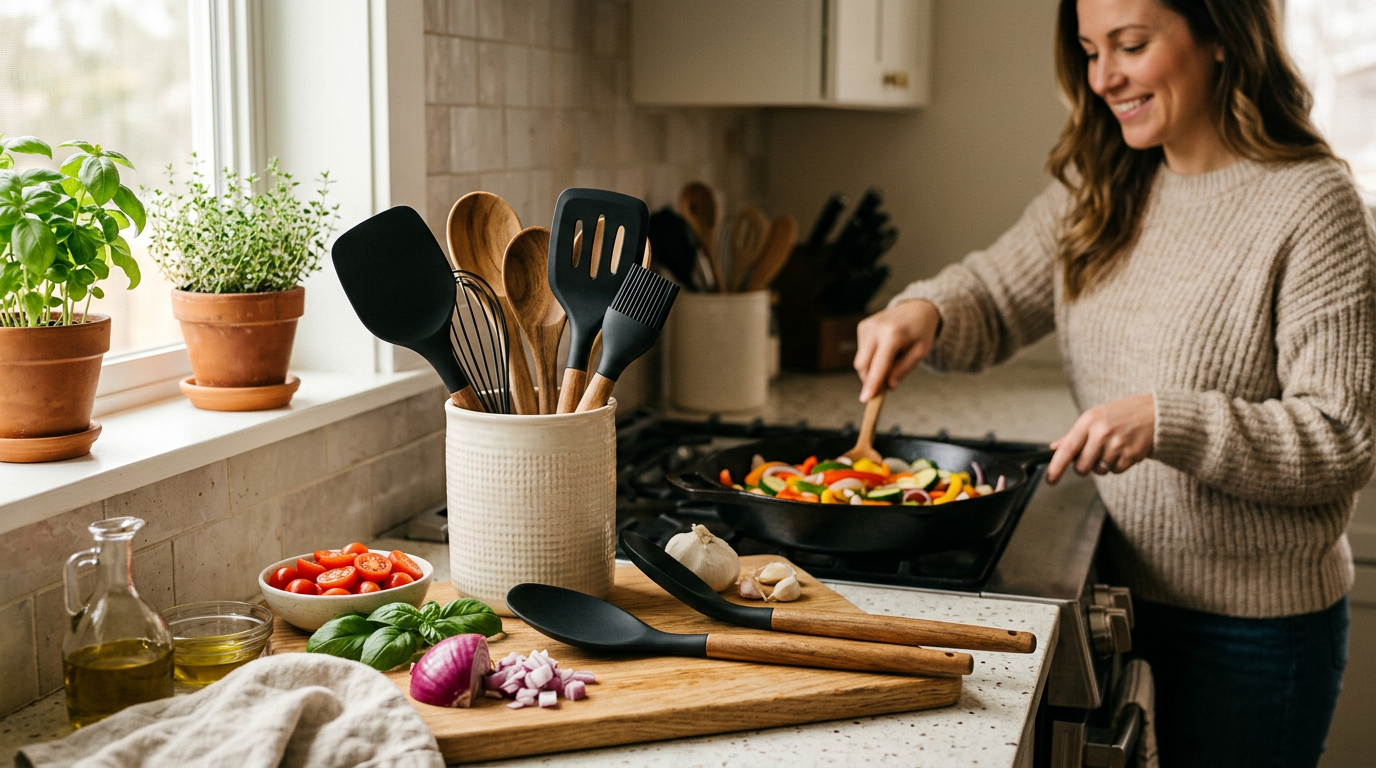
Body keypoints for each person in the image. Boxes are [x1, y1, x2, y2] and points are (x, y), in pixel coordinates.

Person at [852, 0, 1376, 765]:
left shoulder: (1313, 203)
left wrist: (1169, 422)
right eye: (1091, 51)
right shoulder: (1104, 184)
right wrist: (923, 311)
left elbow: (1340, 438)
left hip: (1255, 631)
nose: (1104, 78)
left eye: (1130, 46)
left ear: (1221, 37)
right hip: (1118, 592)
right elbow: (994, 294)